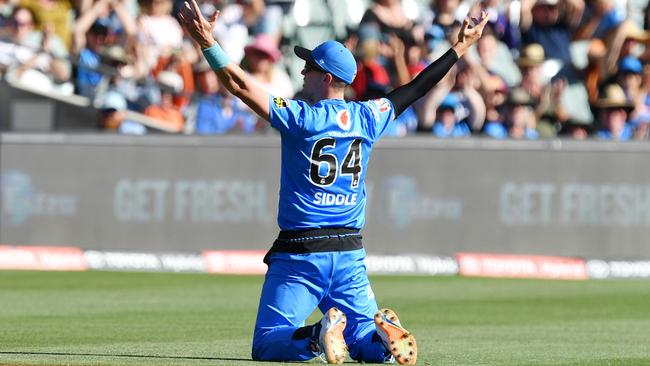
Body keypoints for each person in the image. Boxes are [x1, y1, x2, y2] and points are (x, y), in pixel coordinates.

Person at [178, 0, 488, 363]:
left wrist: (207, 44)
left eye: (308, 68)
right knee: (362, 344)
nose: (301, 73)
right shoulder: (369, 116)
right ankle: (381, 343)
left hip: (302, 252)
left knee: (267, 344)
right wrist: (461, 47)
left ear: (326, 77)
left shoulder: (301, 118)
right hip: (349, 254)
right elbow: (418, 87)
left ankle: (315, 334)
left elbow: (238, 84)